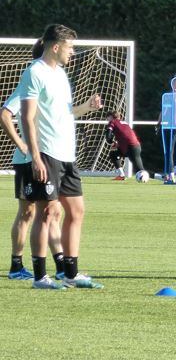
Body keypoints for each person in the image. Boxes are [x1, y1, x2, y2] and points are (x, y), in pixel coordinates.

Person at [20, 24, 104, 289]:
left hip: (67, 154)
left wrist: (86, 108)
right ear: (55, 47)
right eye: (70, 47)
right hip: (47, 153)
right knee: (46, 212)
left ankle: (70, 272)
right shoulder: (35, 72)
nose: (74, 53)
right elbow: (27, 117)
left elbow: (65, 113)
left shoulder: (61, 75)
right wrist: (35, 156)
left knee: (76, 211)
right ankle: (40, 277)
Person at [0, 40, 65, 281]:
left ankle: (59, 265)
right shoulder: (30, 82)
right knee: (30, 212)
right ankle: (17, 266)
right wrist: (23, 146)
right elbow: (6, 114)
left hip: (45, 155)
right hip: (29, 159)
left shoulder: (50, 82)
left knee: (52, 210)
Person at [106, 111, 146, 180]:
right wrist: (117, 144)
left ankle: (161, 177)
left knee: (140, 170)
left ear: (111, 117)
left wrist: (112, 142)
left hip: (130, 148)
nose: (107, 119)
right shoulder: (124, 123)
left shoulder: (112, 122)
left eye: (107, 117)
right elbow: (126, 135)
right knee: (113, 154)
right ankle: (121, 175)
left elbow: (108, 137)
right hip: (135, 146)